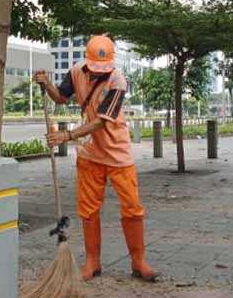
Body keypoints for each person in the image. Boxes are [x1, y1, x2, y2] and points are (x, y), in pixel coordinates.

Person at [34, 35, 159, 282]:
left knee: (132, 207)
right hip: (90, 153)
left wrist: (66, 135)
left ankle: (138, 261)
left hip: (117, 152)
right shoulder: (76, 71)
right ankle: (93, 262)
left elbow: (102, 122)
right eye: (95, 67)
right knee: (88, 209)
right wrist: (47, 83)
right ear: (87, 60)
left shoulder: (118, 80)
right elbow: (61, 97)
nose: (98, 72)